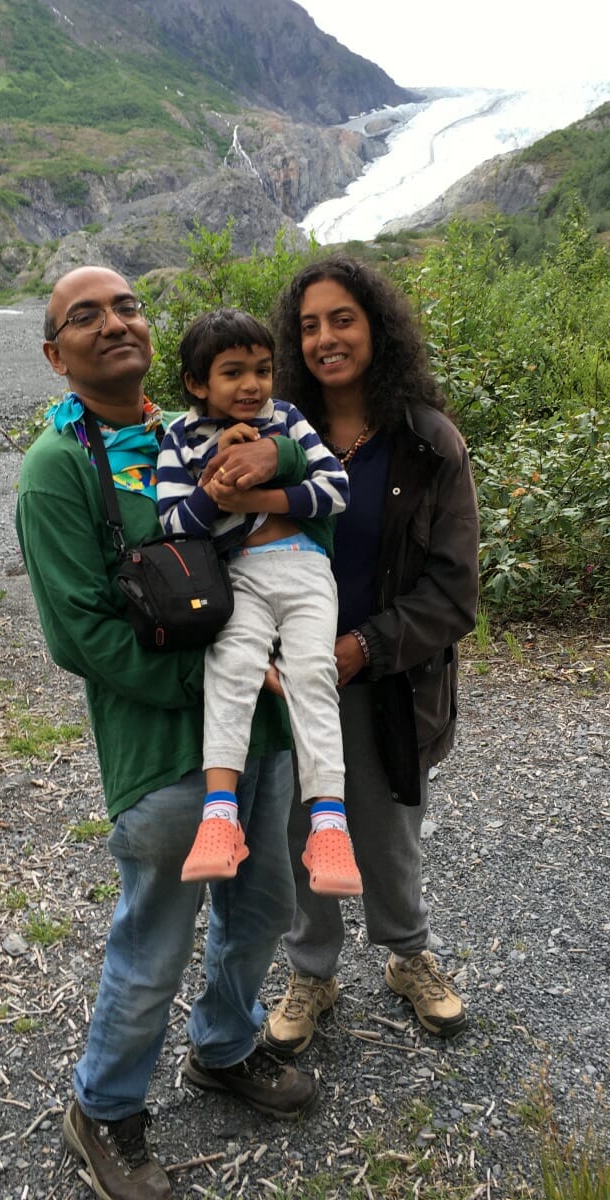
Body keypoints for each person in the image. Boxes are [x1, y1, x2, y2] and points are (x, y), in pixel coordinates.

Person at [15, 267, 318, 1200]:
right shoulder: (59, 466)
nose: (114, 323)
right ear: (55, 353)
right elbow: (83, 635)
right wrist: (220, 677)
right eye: (85, 316)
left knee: (261, 906)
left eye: (128, 305)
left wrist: (284, 469)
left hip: (261, 732)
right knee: (155, 935)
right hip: (164, 748)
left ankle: (223, 1047)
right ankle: (104, 1105)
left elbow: (303, 472)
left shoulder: (193, 426)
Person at [261, 255, 480, 1055]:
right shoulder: (272, 433)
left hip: (387, 676)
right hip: (288, 676)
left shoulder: (427, 443)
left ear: (376, 329)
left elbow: (455, 591)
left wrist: (361, 647)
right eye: (310, 325)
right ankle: (311, 970)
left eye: (342, 319)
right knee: (296, 823)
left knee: (388, 826)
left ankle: (407, 954)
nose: (326, 338)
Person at [156, 309, 361, 897]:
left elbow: (335, 491)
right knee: (232, 667)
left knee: (314, 674)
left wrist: (262, 488)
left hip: (303, 567)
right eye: (233, 373)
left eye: (263, 370)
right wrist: (214, 491)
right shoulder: (180, 439)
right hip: (238, 574)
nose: (252, 385)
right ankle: (218, 815)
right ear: (197, 384)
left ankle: (329, 824)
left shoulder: (288, 420)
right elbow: (173, 525)